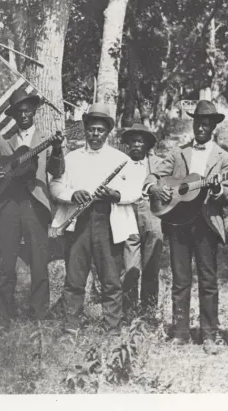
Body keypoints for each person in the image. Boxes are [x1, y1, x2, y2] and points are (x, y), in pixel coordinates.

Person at [144, 100, 228, 355]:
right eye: (198, 122)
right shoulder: (178, 152)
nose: (202, 128)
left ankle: (209, 335)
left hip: (206, 223)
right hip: (177, 223)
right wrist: (155, 188)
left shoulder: (224, 157)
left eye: (207, 124)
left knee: (208, 280)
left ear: (213, 127)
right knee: (180, 279)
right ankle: (181, 332)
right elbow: (153, 175)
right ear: (193, 123)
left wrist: (218, 188)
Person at [0, 89, 64, 325]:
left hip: (35, 204)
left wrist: (57, 149)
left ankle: (39, 317)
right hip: (8, 204)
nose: (23, 115)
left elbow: (57, 171)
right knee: (6, 261)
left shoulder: (45, 139)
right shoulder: (4, 140)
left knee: (38, 261)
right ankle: (3, 315)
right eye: (18, 111)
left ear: (34, 112)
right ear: (13, 115)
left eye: (27, 110)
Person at [49, 103, 141, 335]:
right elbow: (55, 186)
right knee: (75, 276)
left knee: (111, 278)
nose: (95, 134)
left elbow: (135, 190)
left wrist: (115, 194)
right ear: (86, 129)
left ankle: (112, 328)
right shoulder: (72, 158)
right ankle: (71, 326)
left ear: (108, 131)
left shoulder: (122, 159)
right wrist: (72, 194)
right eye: (91, 129)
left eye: (100, 130)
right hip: (78, 222)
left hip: (108, 222)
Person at [120, 123, 165, 318]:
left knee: (151, 265)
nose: (136, 145)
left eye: (141, 141)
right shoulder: (121, 163)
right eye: (133, 142)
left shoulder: (159, 164)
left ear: (147, 145)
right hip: (128, 213)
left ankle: (148, 312)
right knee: (130, 266)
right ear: (128, 144)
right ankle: (128, 311)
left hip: (152, 213)